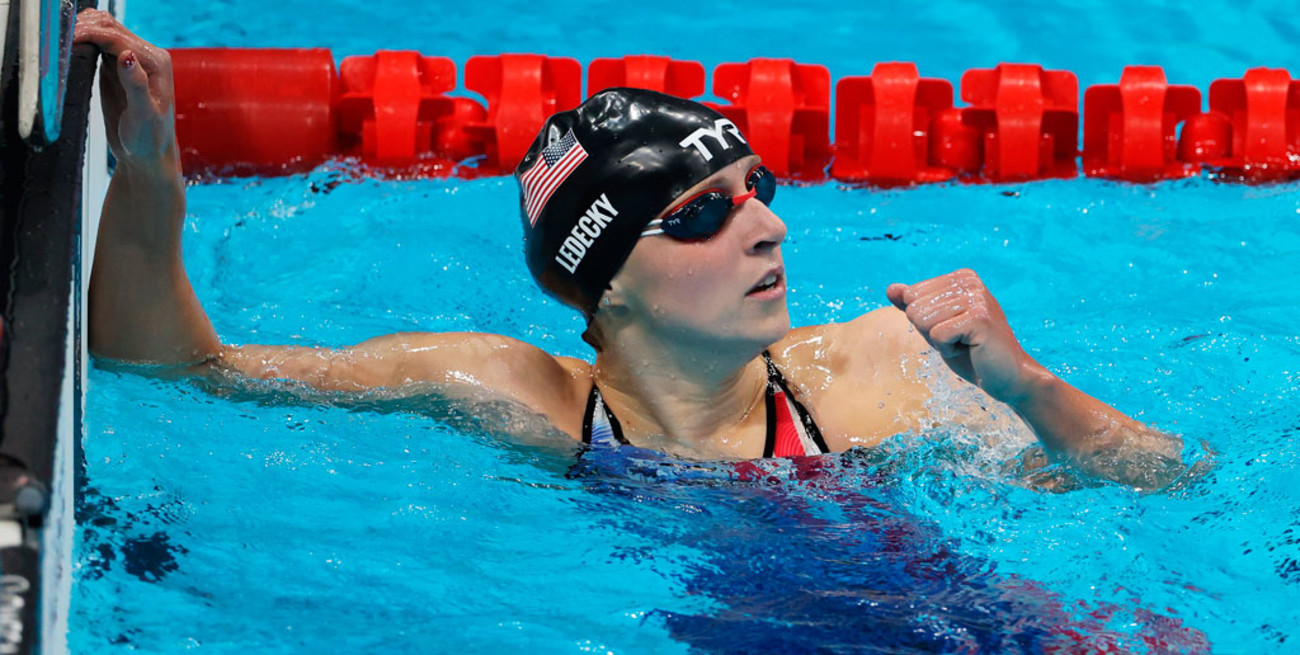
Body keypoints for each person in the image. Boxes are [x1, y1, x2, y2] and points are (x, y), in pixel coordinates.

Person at [74, 9, 1186, 488]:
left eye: (758, 188)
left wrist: (1029, 389)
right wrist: (151, 168)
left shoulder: (877, 367)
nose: (768, 225)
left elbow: (1160, 481)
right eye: (701, 212)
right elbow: (175, 368)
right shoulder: (513, 395)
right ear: (604, 283)